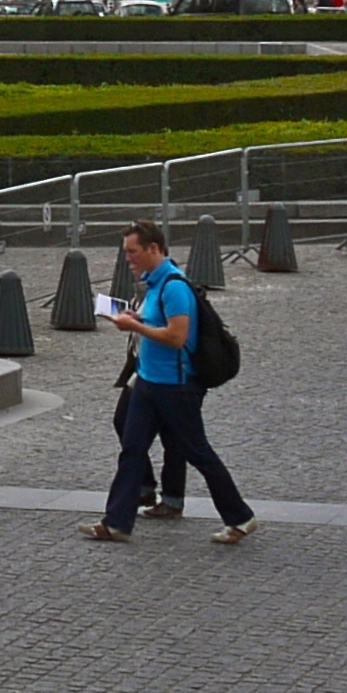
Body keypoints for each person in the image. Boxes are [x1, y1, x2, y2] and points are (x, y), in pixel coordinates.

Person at [84, 220, 257, 545]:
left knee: (198, 452)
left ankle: (240, 517)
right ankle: (116, 522)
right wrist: (137, 320)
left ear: (154, 249)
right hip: (150, 383)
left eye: (133, 253)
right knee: (132, 450)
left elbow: (177, 338)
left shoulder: (174, 287)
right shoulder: (156, 284)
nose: (128, 260)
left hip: (175, 388)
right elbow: (161, 324)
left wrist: (134, 327)